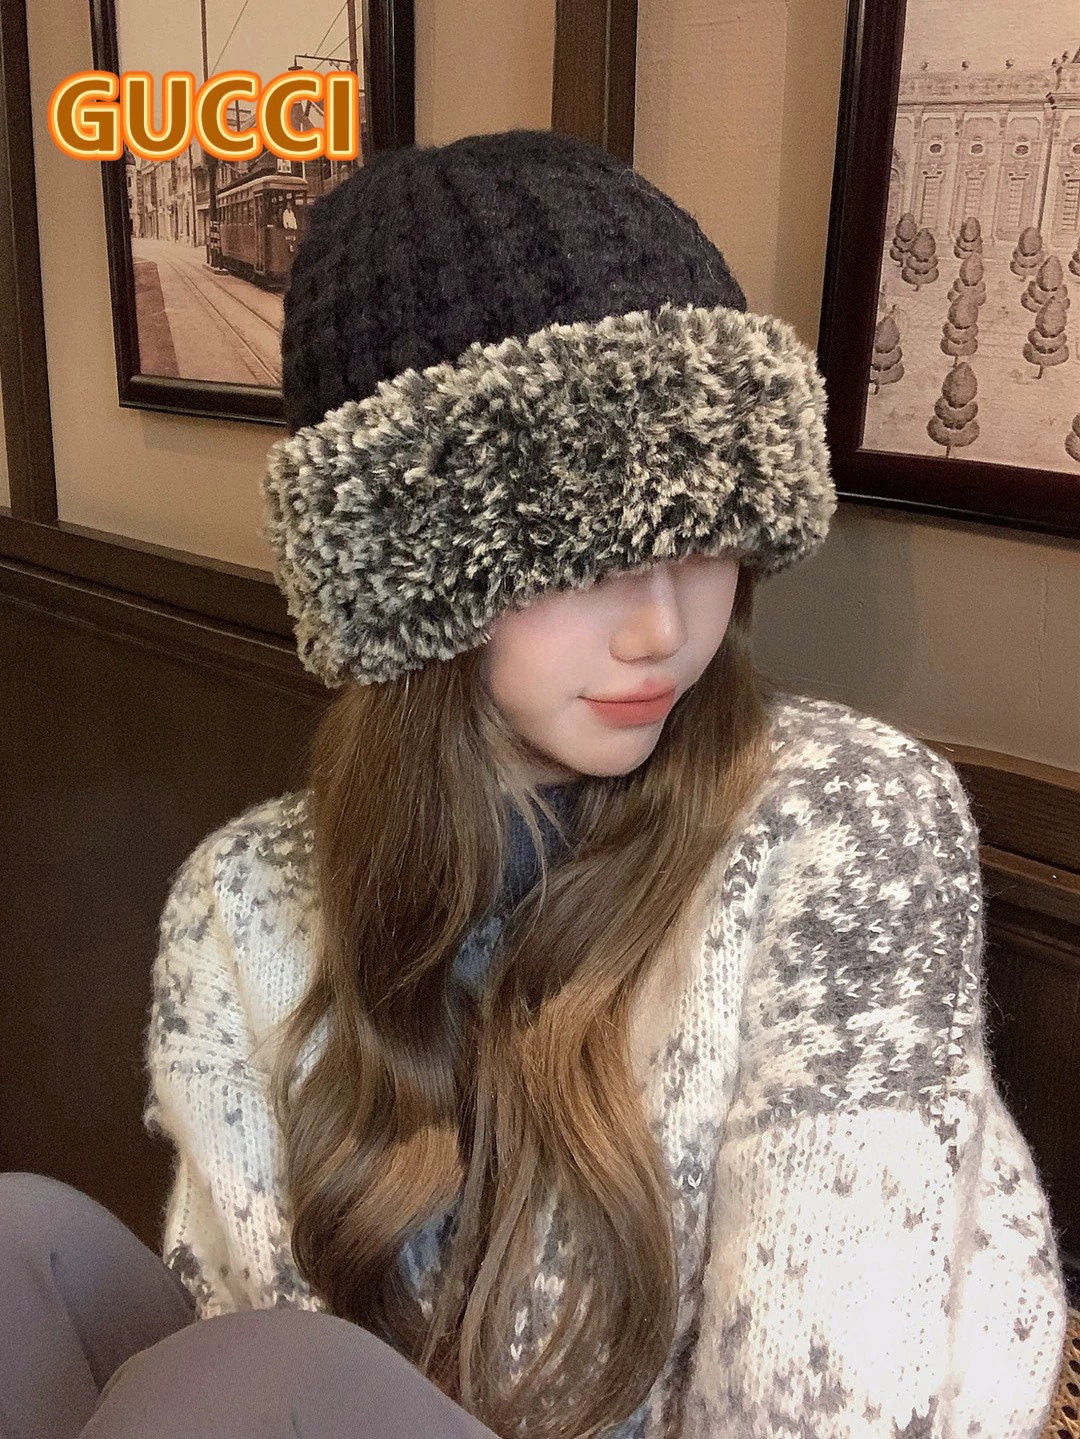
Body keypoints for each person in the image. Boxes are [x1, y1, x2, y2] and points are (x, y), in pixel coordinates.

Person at [0, 128, 1068, 1439]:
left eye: (706, 539)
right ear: (415, 584)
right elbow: (254, 1317)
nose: (663, 629)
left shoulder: (846, 820)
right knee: (18, 1251)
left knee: (244, 1381)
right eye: (582, 562)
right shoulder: (244, 896)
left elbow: (830, 1399)